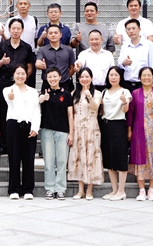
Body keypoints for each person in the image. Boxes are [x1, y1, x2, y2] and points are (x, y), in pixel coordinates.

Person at [0, 18, 33, 155]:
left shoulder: (27, 47)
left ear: (22, 30)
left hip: (21, 85)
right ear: (9, 30)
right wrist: (2, 62)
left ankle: (20, 144)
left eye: (18, 28)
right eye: (13, 28)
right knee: (5, 113)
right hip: (6, 83)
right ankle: (4, 144)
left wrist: (22, 79)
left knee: (21, 113)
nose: (15, 31)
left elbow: (30, 66)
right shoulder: (2, 46)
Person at [127, 67, 153, 201]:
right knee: (139, 158)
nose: (146, 78)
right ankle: (141, 190)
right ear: (140, 78)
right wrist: (129, 129)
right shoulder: (135, 93)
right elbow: (131, 113)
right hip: (139, 131)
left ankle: (151, 190)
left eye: (149, 75)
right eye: (144, 75)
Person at [3, 65, 41, 200]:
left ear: (26, 75)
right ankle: (13, 189)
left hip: (28, 125)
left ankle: (28, 190)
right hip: (13, 124)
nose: (20, 76)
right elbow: (9, 100)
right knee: (14, 158)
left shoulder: (33, 91)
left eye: (23, 73)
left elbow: (37, 110)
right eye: (17, 73)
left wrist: (35, 128)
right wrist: (11, 97)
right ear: (13, 75)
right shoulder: (8, 90)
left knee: (28, 159)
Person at [68, 68, 103, 200]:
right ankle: (80, 190)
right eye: (82, 77)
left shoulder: (97, 93)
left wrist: (89, 96)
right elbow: (71, 113)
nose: (84, 79)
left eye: (87, 76)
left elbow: (95, 107)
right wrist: (71, 132)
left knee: (91, 156)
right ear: (78, 79)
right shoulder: (74, 93)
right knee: (79, 156)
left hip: (91, 127)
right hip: (77, 128)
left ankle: (89, 190)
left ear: (91, 78)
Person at [38, 67, 73, 201]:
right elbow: (37, 103)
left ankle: (60, 189)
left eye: (54, 76)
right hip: (47, 130)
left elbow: (70, 115)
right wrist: (43, 98)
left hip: (62, 131)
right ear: (46, 79)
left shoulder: (66, 94)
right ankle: (50, 188)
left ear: (60, 77)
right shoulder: (43, 93)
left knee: (62, 161)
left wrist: (71, 133)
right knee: (49, 161)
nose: (52, 79)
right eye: (50, 77)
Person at [100, 66, 132, 201]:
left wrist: (124, 101)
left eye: (116, 75)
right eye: (111, 75)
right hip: (105, 125)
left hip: (119, 125)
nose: (113, 77)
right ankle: (114, 190)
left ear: (120, 77)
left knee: (120, 157)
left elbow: (125, 110)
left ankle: (121, 191)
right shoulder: (104, 92)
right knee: (109, 158)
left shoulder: (125, 91)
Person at [3, 0, 38, 87]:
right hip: (13, 54)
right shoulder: (11, 21)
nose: (23, 6)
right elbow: (7, 39)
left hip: (29, 56)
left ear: (29, 6)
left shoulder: (34, 20)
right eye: (20, 4)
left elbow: (35, 39)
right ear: (16, 6)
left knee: (29, 84)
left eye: (25, 4)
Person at [118, 19, 153, 91]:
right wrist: (124, 62)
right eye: (128, 29)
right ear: (126, 32)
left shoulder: (149, 45)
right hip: (127, 83)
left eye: (133, 28)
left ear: (139, 29)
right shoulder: (124, 46)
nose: (131, 31)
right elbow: (120, 63)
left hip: (143, 84)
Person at [36, 24, 76, 92]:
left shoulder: (68, 50)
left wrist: (64, 77)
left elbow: (72, 67)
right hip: (48, 84)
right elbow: (38, 63)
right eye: (50, 33)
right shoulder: (42, 50)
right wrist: (39, 64)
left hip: (65, 84)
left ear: (60, 35)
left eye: (56, 33)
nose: (53, 35)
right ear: (47, 36)